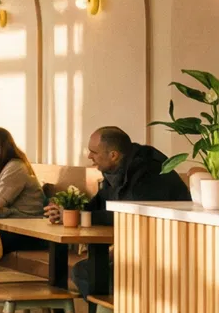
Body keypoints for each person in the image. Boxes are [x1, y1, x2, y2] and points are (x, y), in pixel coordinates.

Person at [44, 125, 191, 295]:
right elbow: (98, 206)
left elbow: (127, 217)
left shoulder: (149, 172)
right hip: (141, 250)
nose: (90, 156)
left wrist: (78, 217)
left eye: (94, 152)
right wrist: (68, 214)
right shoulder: (116, 171)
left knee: (88, 272)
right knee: (88, 270)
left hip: (167, 257)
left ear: (113, 155)